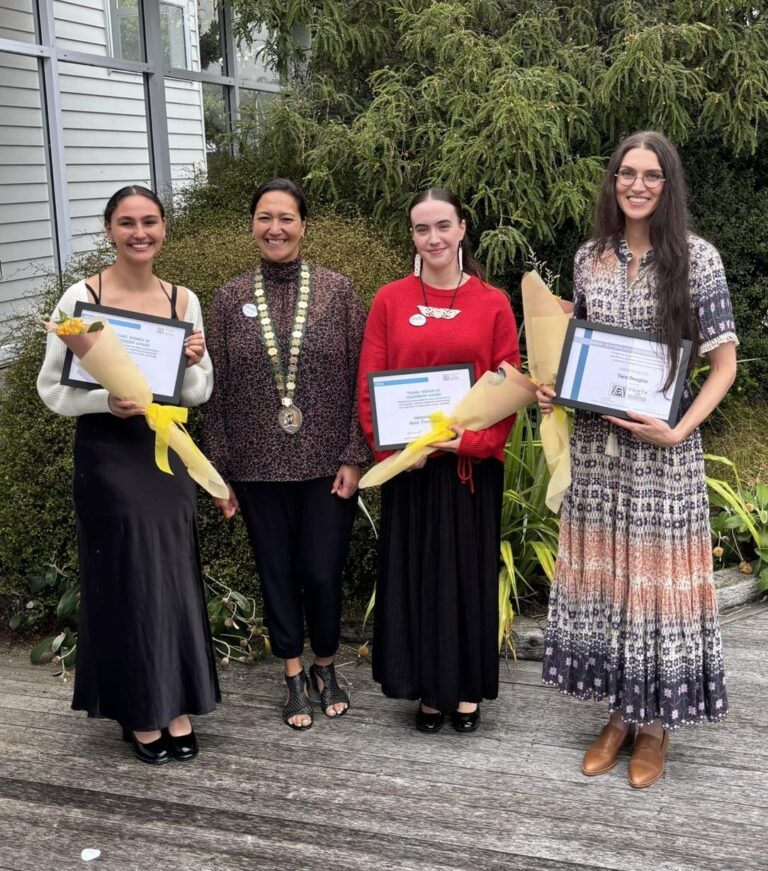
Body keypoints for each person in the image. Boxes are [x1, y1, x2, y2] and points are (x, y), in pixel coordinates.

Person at [537, 131, 737, 788]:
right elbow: (583, 348)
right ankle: (621, 713)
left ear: (668, 183)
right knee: (615, 583)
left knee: (656, 588)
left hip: (662, 455)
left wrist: (679, 429)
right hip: (599, 453)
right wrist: (554, 382)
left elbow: (723, 366)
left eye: (651, 174)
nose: (638, 184)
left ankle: (656, 728)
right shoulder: (588, 259)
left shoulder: (698, 260)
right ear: (613, 181)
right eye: (627, 173)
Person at [37, 185, 220, 765]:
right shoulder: (80, 297)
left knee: (171, 574)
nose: (139, 233)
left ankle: (176, 700)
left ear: (164, 228)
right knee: (125, 576)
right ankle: (140, 708)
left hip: (163, 452)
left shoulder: (183, 299)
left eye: (149, 222)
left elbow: (198, 391)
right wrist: (104, 404)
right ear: (110, 229)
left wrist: (192, 363)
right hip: (108, 455)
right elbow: (52, 388)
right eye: (127, 223)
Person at [204, 178, 369, 730]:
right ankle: (293, 672)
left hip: (327, 463)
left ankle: (326, 663)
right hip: (255, 465)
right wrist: (219, 471)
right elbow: (216, 390)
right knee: (275, 570)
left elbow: (360, 378)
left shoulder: (338, 291)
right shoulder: (228, 300)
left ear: (303, 225)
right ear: (252, 225)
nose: (275, 228)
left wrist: (354, 453)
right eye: (264, 218)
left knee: (322, 571)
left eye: (286, 218)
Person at [357, 188, 520, 734]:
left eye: (443, 226)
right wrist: (397, 450)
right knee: (416, 577)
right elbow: (369, 384)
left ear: (462, 229)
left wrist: (469, 444)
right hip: (414, 469)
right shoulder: (390, 300)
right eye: (423, 229)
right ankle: (427, 690)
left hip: (469, 470)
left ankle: (467, 690)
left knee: (466, 577)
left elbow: (509, 385)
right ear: (413, 236)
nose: (434, 239)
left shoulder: (493, 302)